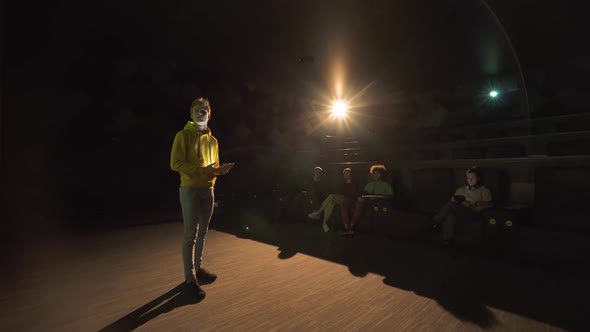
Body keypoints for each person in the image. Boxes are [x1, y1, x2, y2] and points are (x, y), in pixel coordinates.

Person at [170, 97, 235, 298]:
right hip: (189, 190)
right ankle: (189, 279)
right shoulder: (183, 136)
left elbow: (211, 169)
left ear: (210, 114)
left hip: (208, 190)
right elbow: (175, 163)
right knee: (191, 233)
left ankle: (197, 269)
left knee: (203, 231)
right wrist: (201, 170)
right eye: (197, 109)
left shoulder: (213, 141)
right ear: (191, 114)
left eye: (205, 109)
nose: (201, 112)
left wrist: (219, 172)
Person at [432, 166, 493, 245]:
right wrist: (455, 200)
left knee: (451, 207)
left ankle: (434, 222)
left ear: (478, 178)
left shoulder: (484, 190)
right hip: (460, 210)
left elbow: (488, 204)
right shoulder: (461, 189)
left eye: (472, 178)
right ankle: (447, 241)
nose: (470, 180)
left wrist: (472, 205)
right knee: (450, 214)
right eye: (468, 178)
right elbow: (452, 200)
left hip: (473, 212)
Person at [308, 168, 360, 232]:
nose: (345, 175)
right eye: (344, 174)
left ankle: (318, 212)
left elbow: (355, 194)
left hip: (349, 200)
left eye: (347, 173)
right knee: (331, 202)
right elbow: (340, 192)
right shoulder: (343, 184)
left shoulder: (355, 183)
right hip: (342, 199)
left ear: (350, 174)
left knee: (331, 196)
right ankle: (324, 223)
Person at [347, 164, 394, 235]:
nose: (375, 175)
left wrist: (380, 197)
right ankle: (350, 225)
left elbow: (390, 196)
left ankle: (351, 226)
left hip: (379, 203)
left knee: (361, 205)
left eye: (377, 174)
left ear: (382, 175)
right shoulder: (369, 185)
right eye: (374, 174)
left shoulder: (386, 185)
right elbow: (364, 194)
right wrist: (361, 197)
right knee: (356, 203)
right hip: (367, 202)